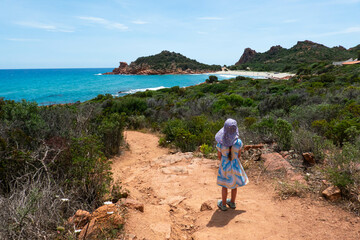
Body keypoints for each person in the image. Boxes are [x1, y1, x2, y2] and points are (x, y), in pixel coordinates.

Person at [215, 118, 249, 211]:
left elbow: (219, 157)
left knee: (224, 186)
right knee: (234, 185)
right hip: (235, 166)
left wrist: (225, 160)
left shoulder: (220, 144)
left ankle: (223, 204)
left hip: (224, 166)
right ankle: (233, 202)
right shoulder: (239, 142)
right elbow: (238, 155)